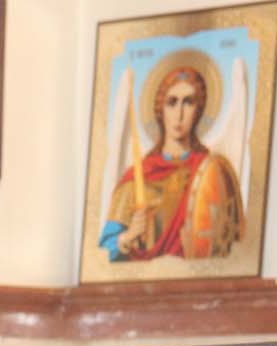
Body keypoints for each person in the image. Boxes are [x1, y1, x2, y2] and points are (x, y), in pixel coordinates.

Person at [99, 63, 243, 262]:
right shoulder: (137, 177)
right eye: (172, 102)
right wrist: (128, 236)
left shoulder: (208, 172)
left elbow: (229, 238)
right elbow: (104, 250)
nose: (179, 114)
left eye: (188, 102)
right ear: (161, 109)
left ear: (198, 110)